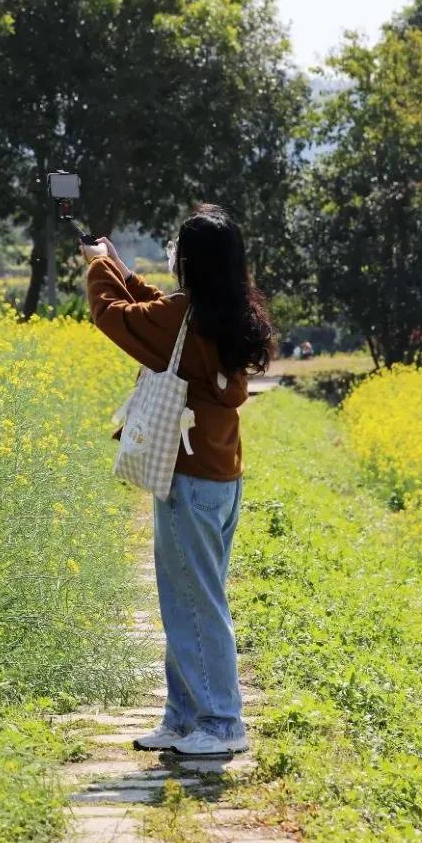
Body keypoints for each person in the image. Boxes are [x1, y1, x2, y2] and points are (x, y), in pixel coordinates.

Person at [81, 204, 275, 759]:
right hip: (219, 476)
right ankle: (184, 716)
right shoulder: (227, 312)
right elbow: (157, 309)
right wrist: (119, 266)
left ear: (189, 262)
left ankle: (220, 722)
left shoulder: (188, 316)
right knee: (187, 598)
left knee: (196, 602)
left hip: (189, 480)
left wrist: (98, 268)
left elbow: (114, 315)